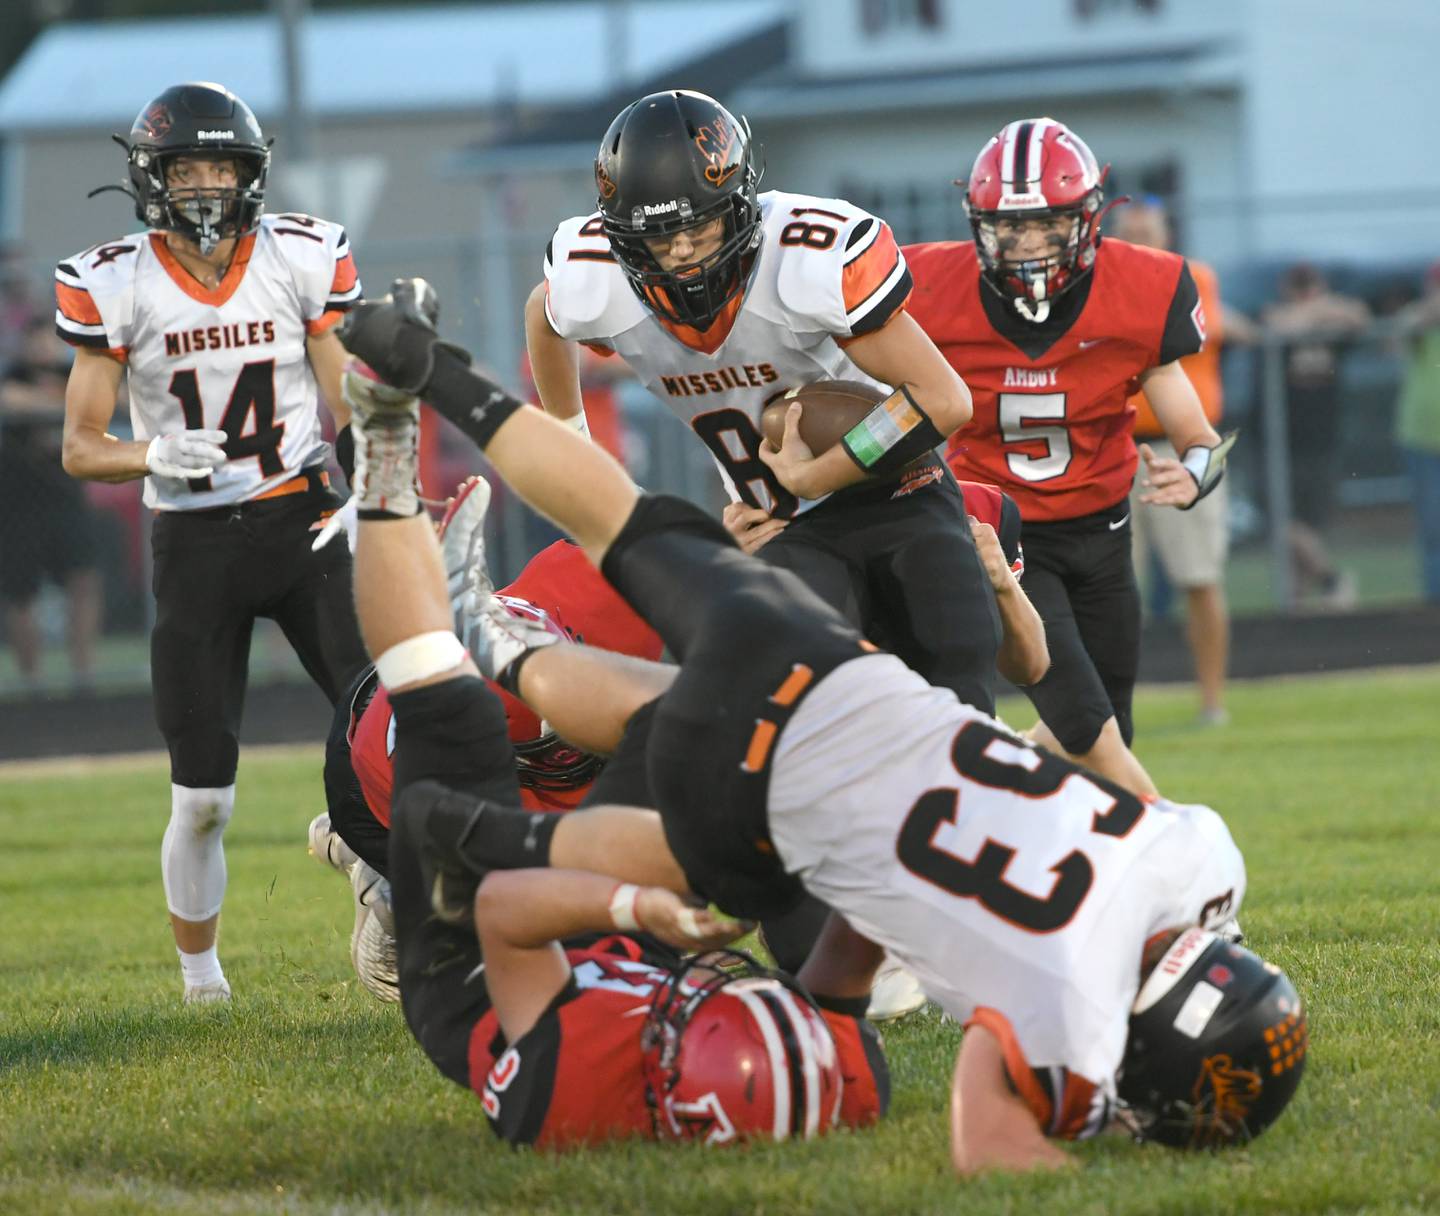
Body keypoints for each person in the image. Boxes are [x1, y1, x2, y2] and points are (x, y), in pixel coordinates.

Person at [336, 279, 1307, 1172]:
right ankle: (493, 724)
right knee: (666, 798)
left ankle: (443, 395)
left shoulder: (1204, 858)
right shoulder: (1075, 1027)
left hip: (858, 689)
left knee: (627, 525)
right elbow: (985, 1139)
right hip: (782, 799)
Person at [336, 360, 888, 1148]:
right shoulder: (833, 1074)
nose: (704, 994)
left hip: (476, 942)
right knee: (698, 730)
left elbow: (509, 913)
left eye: (694, 1015)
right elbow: (847, 966)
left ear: (666, 1077)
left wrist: (634, 902)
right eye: (723, 1001)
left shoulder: (571, 1086)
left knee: (447, 700)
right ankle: (496, 643)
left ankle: (385, 449)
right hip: (613, 909)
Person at [526, 89, 1004, 718]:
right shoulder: (597, 280)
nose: (682, 254)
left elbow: (944, 401)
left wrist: (819, 473)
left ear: (741, 202)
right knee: (810, 701)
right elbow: (544, 314)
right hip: (779, 525)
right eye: (659, 238)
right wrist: (575, 445)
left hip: (899, 488)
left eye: (698, 226)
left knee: (955, 671)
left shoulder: (805, 255)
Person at [56, 82, 370, 1003]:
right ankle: (202, 982)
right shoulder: (113, 279)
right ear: (151, 179)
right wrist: (151, 451)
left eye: (220, 167)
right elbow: (80, 445)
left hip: (304, 517)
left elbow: (344, 396)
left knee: (389, 726)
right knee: (202, 798)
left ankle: (385, 882)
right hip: (194, 541)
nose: (204, 186)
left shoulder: (299, 256)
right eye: (186, 169)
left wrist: (379, 495)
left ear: (251, 173)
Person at [903, 117, 1232, 798]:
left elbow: (1201, 440)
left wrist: (1193, 474)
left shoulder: (1141, 288)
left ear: (1086, 219)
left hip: (1104, 532)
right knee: (1086, 724)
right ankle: (1180, 855)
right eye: (1011, 227)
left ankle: (996, 787)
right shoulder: (930, 286)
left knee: (1109, 731)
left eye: (1048, 224)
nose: (1028, 244)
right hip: (1002, 530)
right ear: (979, 224)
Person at [310, 474, 665, 1001]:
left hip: (438, 683)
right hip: (372, 789)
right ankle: (381, 885)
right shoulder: (440, 774)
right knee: (530, 950)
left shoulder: (610, 590)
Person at [1114, 199, 1255, 726]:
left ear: (1168, 232)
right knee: (1111, 583)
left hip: (1184, 448)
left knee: (1200, 577)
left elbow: (1181, 334)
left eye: (1146, 230)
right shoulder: (1108, 279)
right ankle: (1109, 705)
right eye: (1129, 233)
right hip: (1119, 446)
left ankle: (1213, 700)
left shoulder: (1193, 276)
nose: (1138, 240)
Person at [0, 318, 103, 688]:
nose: (43, 349)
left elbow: (110, 396)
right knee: (21, 592)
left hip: (66, 497)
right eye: (36, 341)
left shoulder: (71, 371)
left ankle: (83, 673)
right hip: (18, 505)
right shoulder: (14, 374)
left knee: (83, 581)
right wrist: (60, 402)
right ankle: (32, 681)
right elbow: (9, 398)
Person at [1261, 264, 1370, 609]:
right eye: (1299, 288)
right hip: (1277, 437)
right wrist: (1312, 312)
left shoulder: (1329, 325)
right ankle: (1331, 579)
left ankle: (1298, 603)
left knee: (1308, 523)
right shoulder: (1273, 314)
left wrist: (1318, 310)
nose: (1305, 295)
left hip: (1321, 436)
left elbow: (1360, 318)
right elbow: (1278, 325)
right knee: (1279, 520)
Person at [1394, 261, 1440, 604]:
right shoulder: (1421, 322)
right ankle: (1433, 606)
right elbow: (1393, 338)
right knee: (1433, 527)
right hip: (1423, 440)